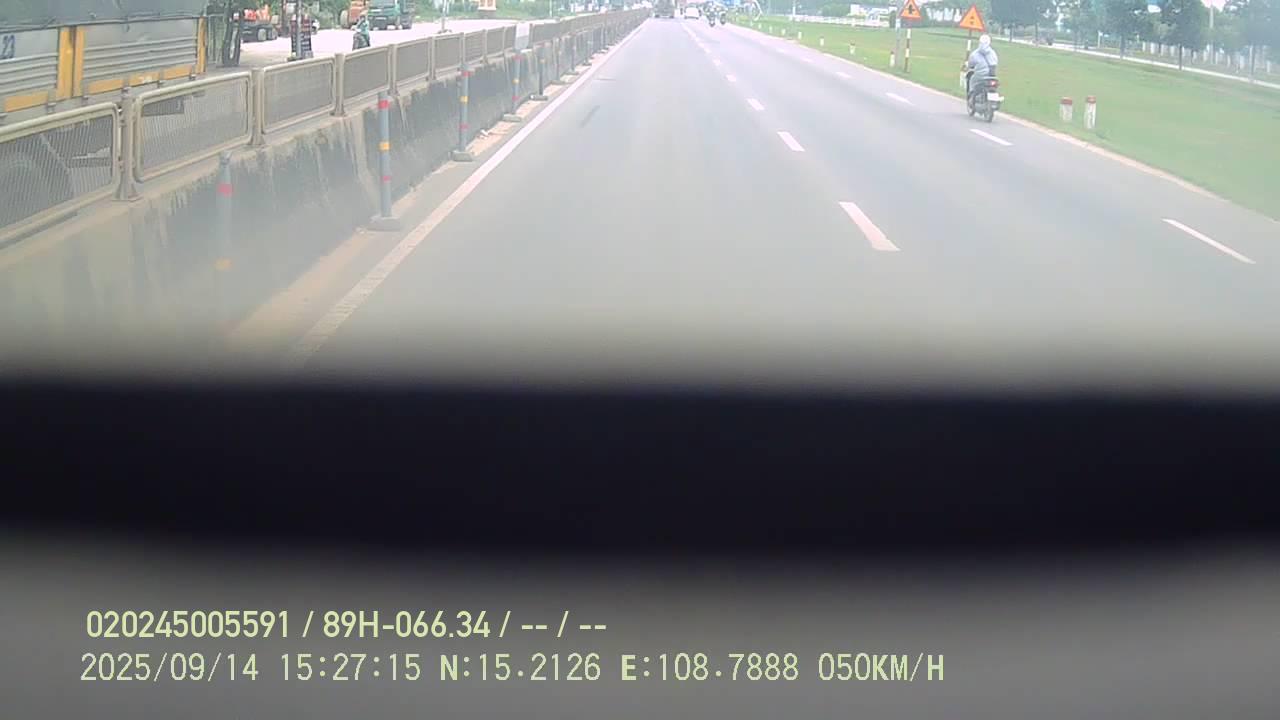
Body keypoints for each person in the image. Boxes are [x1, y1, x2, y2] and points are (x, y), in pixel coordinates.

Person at [963, 34, 999, 101]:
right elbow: (995, 62)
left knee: (972, 80)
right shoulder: (993, 53)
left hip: (979, 75)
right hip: (992, 76)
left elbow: (970, 64)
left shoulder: (975, 53)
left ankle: (971, 96)